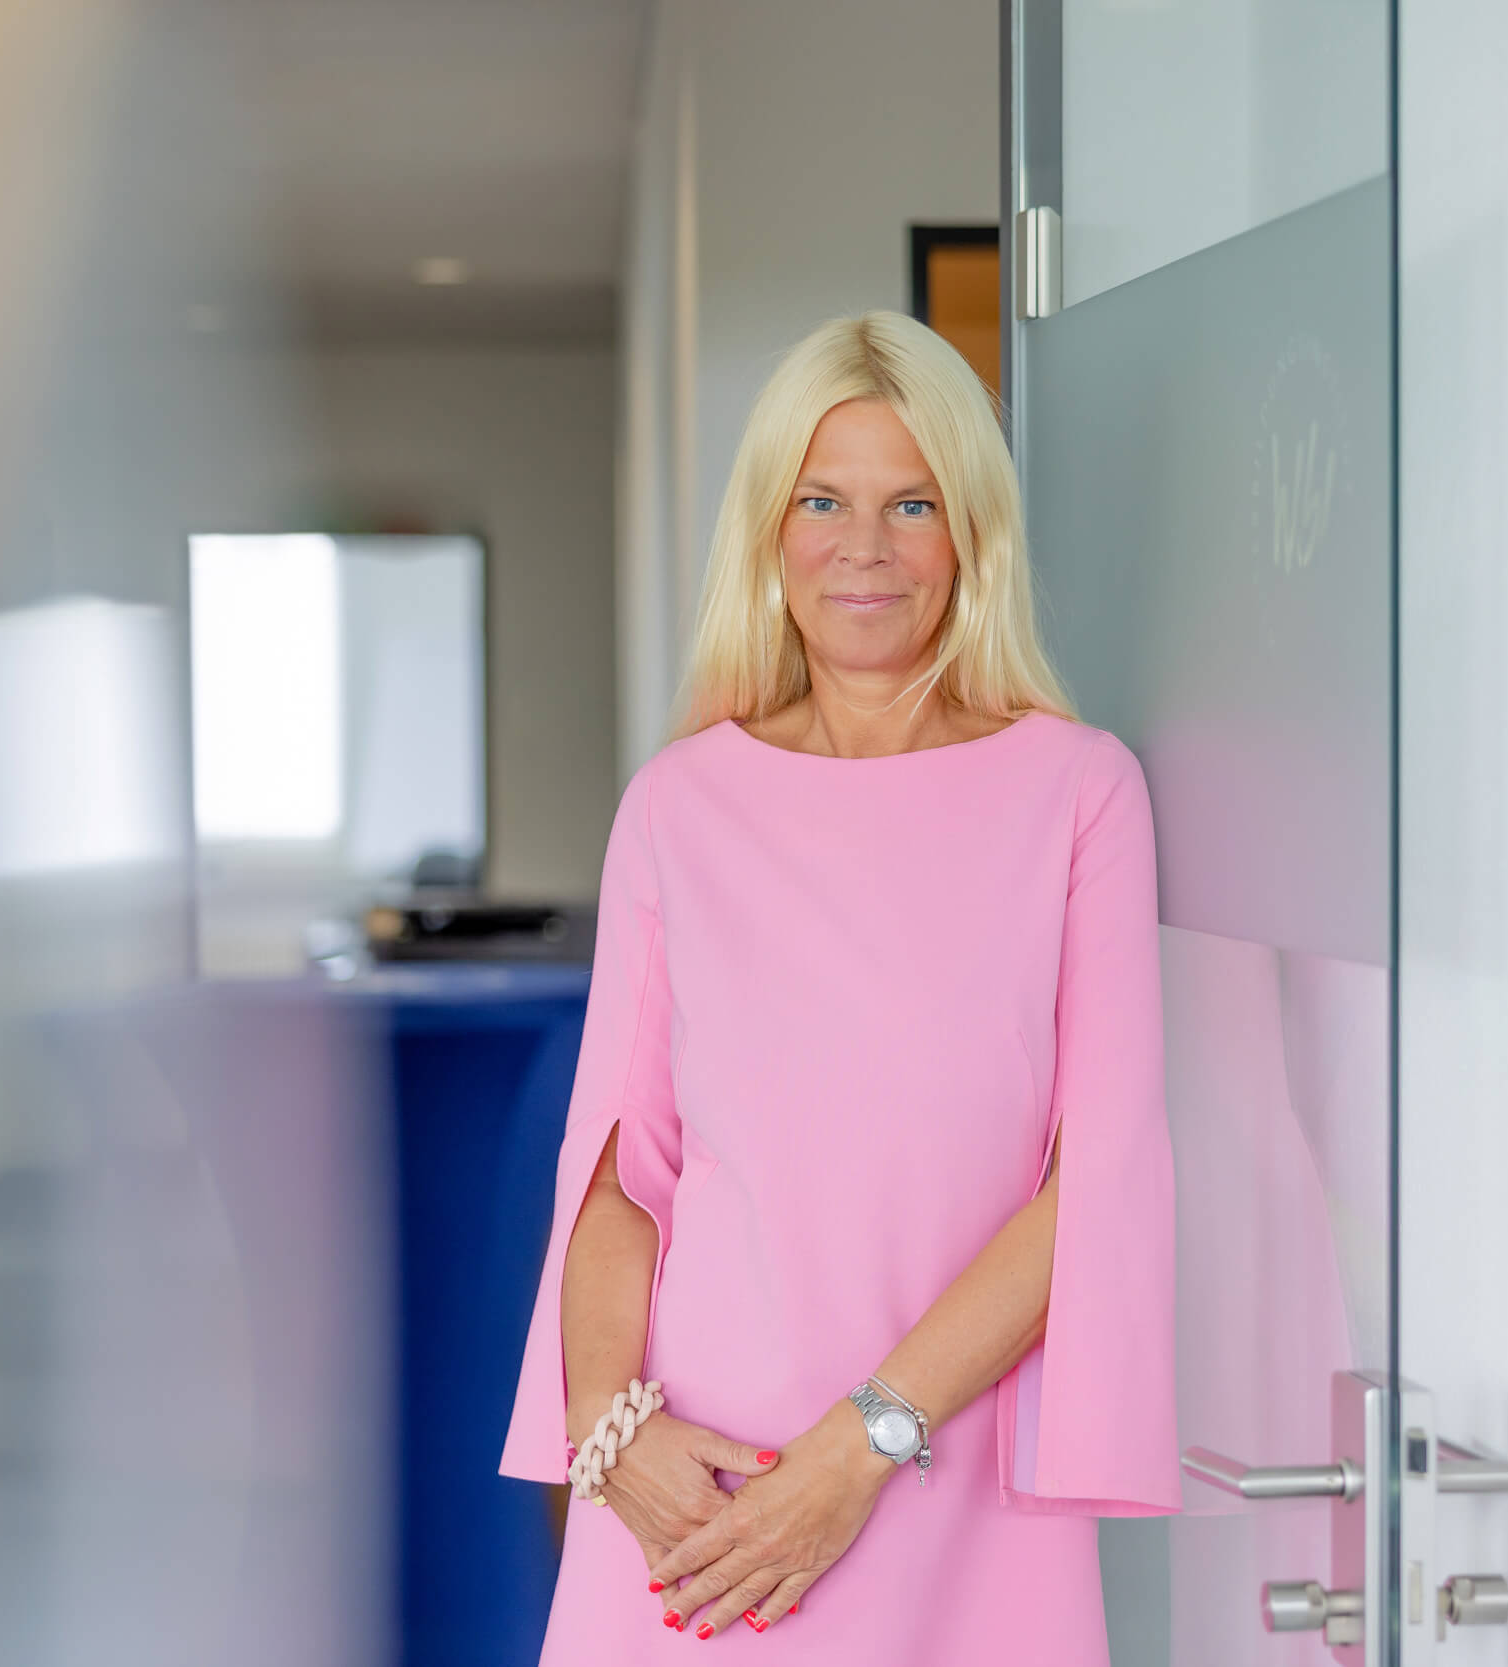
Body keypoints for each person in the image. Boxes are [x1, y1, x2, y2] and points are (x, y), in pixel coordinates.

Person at [501, 310, 1179, 1662]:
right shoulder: (678, 806)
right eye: (823, 500)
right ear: (770, 532)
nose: (864, 546)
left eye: (910, 503)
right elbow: (623, 1173)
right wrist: (612, 1433)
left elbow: (1096, 1183)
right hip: (698, 1496)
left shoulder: (1079, 793)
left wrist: (862, 1446)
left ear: (970, 533)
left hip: (954, 1487)